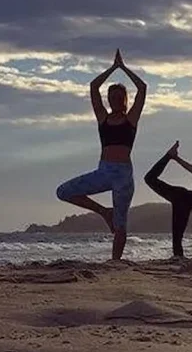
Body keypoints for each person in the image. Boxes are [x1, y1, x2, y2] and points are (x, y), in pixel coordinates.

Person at [56, 49, 146, 260]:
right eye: (111, 97)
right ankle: (104, 212)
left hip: (123, 175)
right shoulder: (102, 119)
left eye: (119, 97)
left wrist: (123, 68)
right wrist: (112, 68)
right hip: (104, 171)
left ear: (124, 100)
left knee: (120, 224)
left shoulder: (131, 119)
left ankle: (115, 262)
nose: (115, 100)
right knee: (63, 191)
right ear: (108, 100)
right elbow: (93, 87)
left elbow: (142, 88)